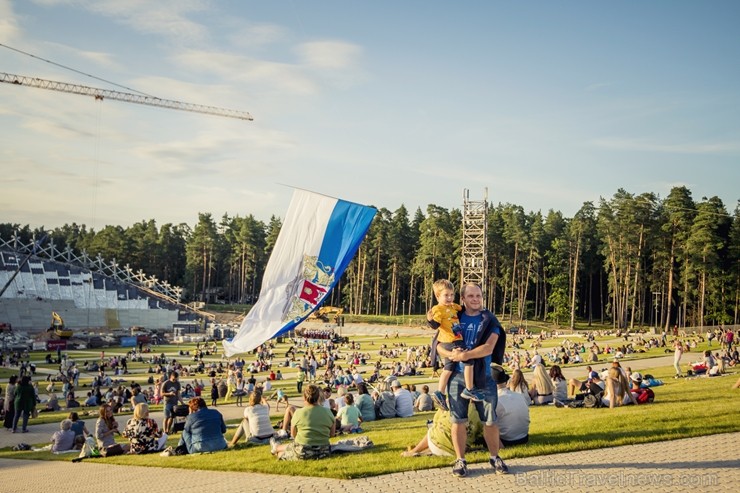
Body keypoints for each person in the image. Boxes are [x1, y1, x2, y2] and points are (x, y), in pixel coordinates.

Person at [433, 283, 509, 477]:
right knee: (458, 420)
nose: (476, 299)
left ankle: (494, 457)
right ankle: (461, 460)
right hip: (456, 376)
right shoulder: (453, 316)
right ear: (463, 299)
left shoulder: (489, 319)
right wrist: (451, 356)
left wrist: (465, 356)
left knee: (490, 420)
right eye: (471, 296)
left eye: (479, 295)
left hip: (483, 377)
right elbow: (439, 345)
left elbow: (489, 348)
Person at [429, 279, 485, 411]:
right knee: (469, 361)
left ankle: (440, 391)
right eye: (446, 295)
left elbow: (464, 309)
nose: (449, 298)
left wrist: (476, 305)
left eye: (451, 295)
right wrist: (429, 319)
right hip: (450, 340)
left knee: (448, 368)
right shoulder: (438, 309)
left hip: (456, 338)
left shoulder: (453, 306)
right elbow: (435, 325)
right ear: (438, 296)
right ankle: (470, 389)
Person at [270, 384, 335, 460]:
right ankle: (277, 448)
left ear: (304, 397)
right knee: (288, 449)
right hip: (324, 451)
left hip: (303, 451)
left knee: (281, 452)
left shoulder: (298, 413)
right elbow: (332, 434)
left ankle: (276, 448)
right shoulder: (328, 412)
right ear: (318, 397)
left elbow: (293, 435)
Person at [492, 366, 530, 447]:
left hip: (507, 440)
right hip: (524, 437)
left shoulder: (496, 400)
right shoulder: (519, 396)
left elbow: (490, 424)